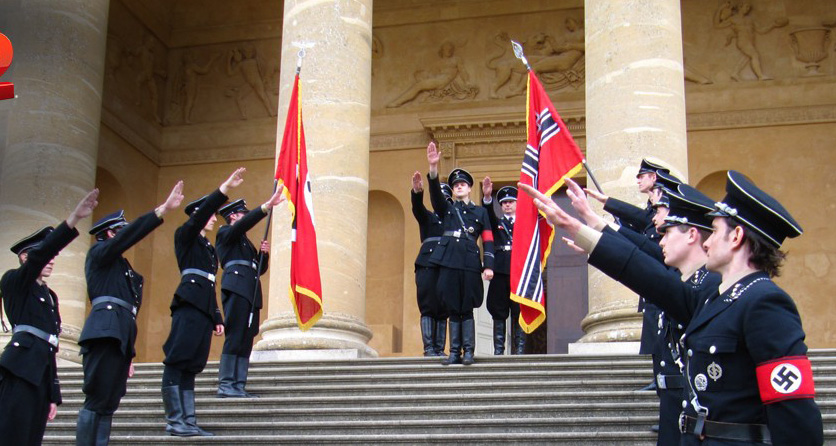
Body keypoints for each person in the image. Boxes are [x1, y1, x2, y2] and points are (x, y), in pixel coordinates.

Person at [520, 170, 824, 445]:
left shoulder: (764, 302)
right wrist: (576, 227)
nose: (707, 242)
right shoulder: (714, 297)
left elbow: (794, 414)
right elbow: (644, 273)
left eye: (714, 231)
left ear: (736, 237)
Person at [76, 181, 185, 446]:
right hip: (104, 333)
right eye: (121, 232)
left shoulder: (119, 266)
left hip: (119, 336)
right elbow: (129, 236)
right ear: (111, 234)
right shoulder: (99, 253)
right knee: (97, 397)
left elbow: (129, 308)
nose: (125, 236)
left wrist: (128, 350)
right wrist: (161, 210)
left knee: (110, 400)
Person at [0, 189, 98, 446]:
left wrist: (53, 393)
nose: (53, 261)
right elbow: (39, 257)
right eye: (48, 256)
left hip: (40, 377)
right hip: (19, 371)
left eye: (55, 257)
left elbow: (50, 344)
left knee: (32, 439)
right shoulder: (14, 281)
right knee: (12, 436)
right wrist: (73, 219)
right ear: (25, 257)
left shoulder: (50, 296)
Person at [160, 168, 247, 436]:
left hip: (202, 308)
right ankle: (176, 420)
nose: (212, 219)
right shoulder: (185, 236)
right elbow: (199, 218)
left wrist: (217, 317)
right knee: (178, 360)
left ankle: (189, 420)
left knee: (193, 364)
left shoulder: (207, 248)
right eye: (209, 215)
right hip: (188, 304)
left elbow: (211, 284)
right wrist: (224, 189)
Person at [426, 141, 494, 366]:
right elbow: (436, 197)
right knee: (452, 306)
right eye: (456, 185)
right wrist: (433, 170)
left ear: (469, 188)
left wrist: (489, 265)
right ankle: (454, 352)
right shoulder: (448, 209)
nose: (459, 187)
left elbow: (487, 239)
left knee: (466, 307)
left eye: (463, 184)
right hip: (449, 261)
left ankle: (469, 352)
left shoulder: (480, 212)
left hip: (470, 261)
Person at [215, 185, 284, 398]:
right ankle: (227, 383)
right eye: (243, 214)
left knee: (247, 335)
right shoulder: (226, 232)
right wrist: (264, 208)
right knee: (236, 334)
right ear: (234, 216)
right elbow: (241, 227)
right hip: (236, 287)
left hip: (250, 290)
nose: (245, 217)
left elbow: (258, 269)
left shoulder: (245, 243)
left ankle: (238, 383)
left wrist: (264, 256)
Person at [481, 179, 523, 355]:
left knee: (519, 310)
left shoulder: (524, 223)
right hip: (499, 270)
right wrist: (488, 197)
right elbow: (488, 215)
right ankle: (499, 349)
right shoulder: (497, 222)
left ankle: (519, 349)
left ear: (517, 203)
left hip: (519, 271)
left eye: (510, 202)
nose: (507, 205)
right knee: (498, 310)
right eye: (504, 203)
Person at [411, 171, 451, 357]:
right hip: (427, 265)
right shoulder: (427, 217)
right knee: (427, 305)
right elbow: (418, 208)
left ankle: (439, 348)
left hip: (446, 266)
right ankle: (429, 348)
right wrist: (417, 192)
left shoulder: (453, 220)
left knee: (443, 307)